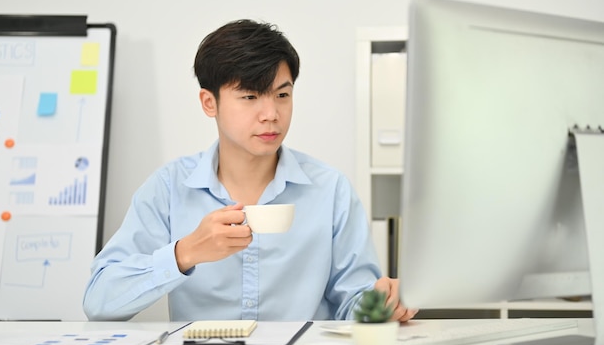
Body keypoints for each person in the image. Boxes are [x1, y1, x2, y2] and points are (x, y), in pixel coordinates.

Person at [83, 19, 418, 323]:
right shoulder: (169, 188)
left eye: (282, 94)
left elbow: (356, 305)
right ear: (208, 102)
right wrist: (185, 253)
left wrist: (383, 304)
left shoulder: (330, 189)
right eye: (250, 96)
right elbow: (99, 300)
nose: (271, 113)